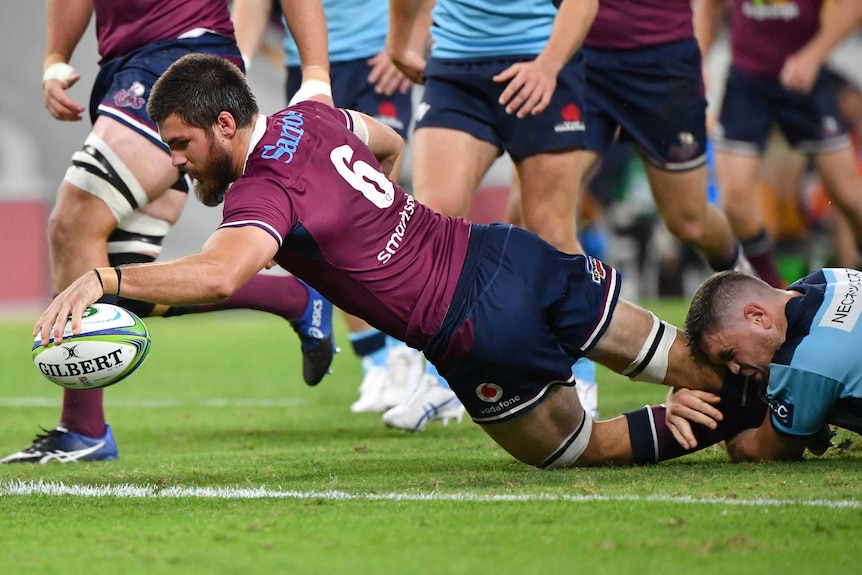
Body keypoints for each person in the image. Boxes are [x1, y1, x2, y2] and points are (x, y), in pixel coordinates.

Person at [34, 53, 733, 469]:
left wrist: (104, 276)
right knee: (691, 356)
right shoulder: (315, 117)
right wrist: (381, 220)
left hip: (472, 332)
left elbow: (220, 273)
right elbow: (391, 140)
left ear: (224, 124)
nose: (178, 163)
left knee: (581, 447)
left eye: (182, 144)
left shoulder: (260, 190)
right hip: (506, 252)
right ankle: (792, 387)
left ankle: (737, 420)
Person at [0, 0, 333, 465]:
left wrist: (316, 77)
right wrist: (55, 58)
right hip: (120, 66)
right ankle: (293, 299)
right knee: (121, 285)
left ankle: (82, 428)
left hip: (182, 58)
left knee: (75, 219)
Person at [385, 0, 603, 427]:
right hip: (454, 68)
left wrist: (548, 64)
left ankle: (581, 375)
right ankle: (440, 380)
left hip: (541, 60)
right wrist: (396, 45)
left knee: (551, 229)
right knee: (432, 226)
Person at [232, 0, 430, 415]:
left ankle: (408, 351)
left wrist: (406, 44)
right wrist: (236, 65)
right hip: (305, 67)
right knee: (322, 221)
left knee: (373, 201)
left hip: (375, 62)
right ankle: (375, 358)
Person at [577, 0, 754, 282]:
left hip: (661, 64)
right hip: (582, 59)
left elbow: (709, 4)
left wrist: (700, 58)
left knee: (690, 223)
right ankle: (570, 317)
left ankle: (742, 273)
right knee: (543, 208)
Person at [695, 0, 862, 288]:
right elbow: (708, 5)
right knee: (734, 200)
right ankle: (774, 289)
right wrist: (697, 65)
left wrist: (814, 54)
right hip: (747, 81)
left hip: (805, 79)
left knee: (848, 195)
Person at [664, 269, 862, 462]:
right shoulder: (830, 277)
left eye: (729, 354)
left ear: (758, 317)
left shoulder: (801, 363)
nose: (734, 369)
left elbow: (765, 450)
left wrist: (724, 428)